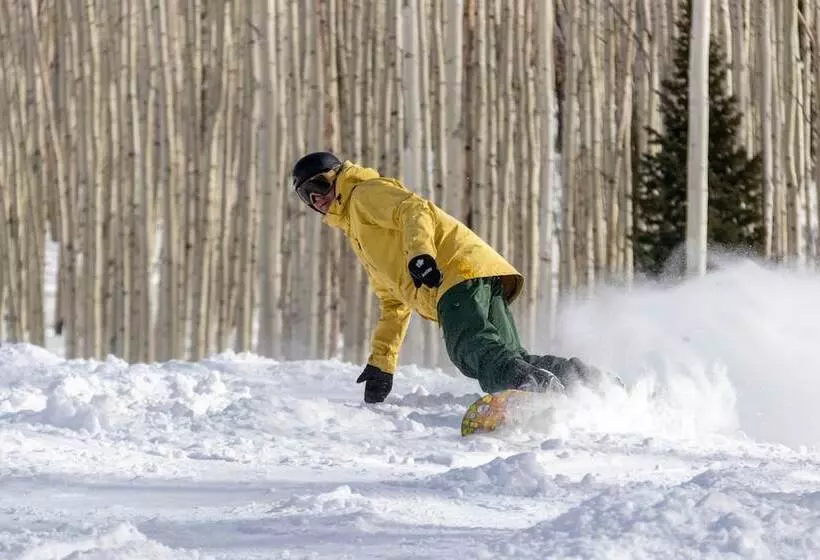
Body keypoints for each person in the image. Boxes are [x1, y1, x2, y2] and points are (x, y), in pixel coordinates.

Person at [291, 151, 600, 403]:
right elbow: (393, 303)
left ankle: (535, 392)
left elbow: (415, 210)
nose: (316, 198)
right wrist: (381, 364)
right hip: (476, 274)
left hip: (454, 274)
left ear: (337, 176)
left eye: (319, 185)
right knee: (507, 357)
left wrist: (420, 255)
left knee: (472, 349)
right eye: (306, 196)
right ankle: (589, 384)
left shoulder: (362, 194)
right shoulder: (359, 235)